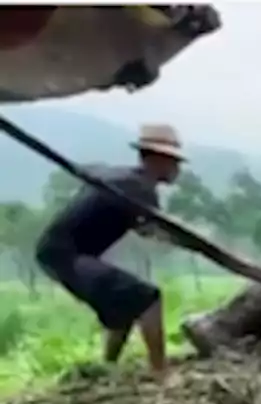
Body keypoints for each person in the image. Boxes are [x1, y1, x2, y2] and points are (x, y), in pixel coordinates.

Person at [35, 123, 187, 382]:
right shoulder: (139, 188)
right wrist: (190, 240)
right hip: (66, 255)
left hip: (57, 252)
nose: (177, 169)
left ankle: (107, 369)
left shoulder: (121, 179)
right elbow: (155, 231)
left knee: (123, 306)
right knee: (149, 298)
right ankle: (161, 372)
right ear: (157, 160)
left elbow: (146, 228)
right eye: (173, 162)